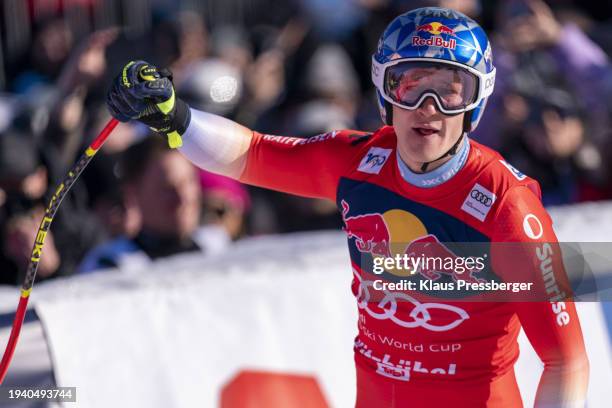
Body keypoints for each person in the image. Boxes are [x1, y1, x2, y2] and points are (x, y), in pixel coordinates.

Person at [106, 7, 589, 407]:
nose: (428, 107)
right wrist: (174, 116)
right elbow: (252, 155)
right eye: (410, 84)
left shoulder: (506, 207)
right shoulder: (358, 164)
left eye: (449, 90)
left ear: (474, 103)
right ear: (385, 92)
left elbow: (566, 360)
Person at [78, 136, 229, 273]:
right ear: (133, 193)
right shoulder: (112, 265)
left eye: (189, 183)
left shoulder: (218, 247)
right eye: (168, 187)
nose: (184, 198)